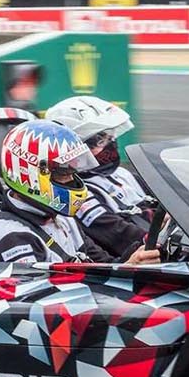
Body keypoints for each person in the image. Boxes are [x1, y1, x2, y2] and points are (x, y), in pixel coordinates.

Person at [0, 119, 161, 265]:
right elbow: (46, 294)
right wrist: (129, 268)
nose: (71, 181)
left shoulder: (61, 216)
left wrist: (132, 261)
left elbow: (103, 264)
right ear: (30, 174)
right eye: (63, 174)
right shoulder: (14, 238)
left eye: (73, 173)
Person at [45, 96, 153, 260]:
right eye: (101, 140)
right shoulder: (78, 193)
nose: (111, 144)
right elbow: (120, 235)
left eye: (111, 137)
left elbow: (167, 198)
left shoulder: (122, 174)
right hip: (140, 256)